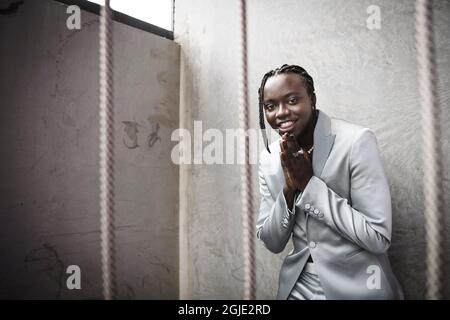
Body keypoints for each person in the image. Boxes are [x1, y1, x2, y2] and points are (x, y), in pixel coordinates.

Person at [256, 64, 404, 300]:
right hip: (298, 287)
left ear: (312, 99)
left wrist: (309, 185)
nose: (281, 112)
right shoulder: (269, 159)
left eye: (292, 100)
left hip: (358, 286)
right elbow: (272, 241)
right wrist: (289, 189)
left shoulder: (356, 141)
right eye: (270, 106)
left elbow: (378, 237)